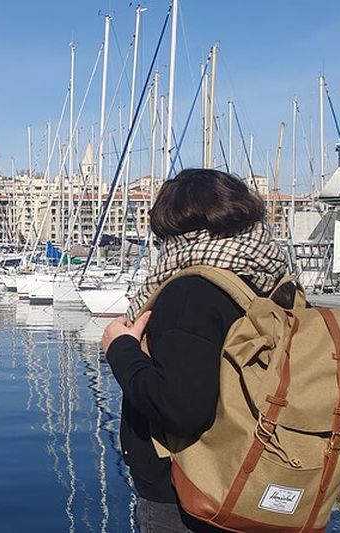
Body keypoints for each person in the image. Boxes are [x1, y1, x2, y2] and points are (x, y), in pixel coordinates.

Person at [101, 169, 288, 532]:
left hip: (193, 494)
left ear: (173, 230)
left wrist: (120, 348)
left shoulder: (190, 292)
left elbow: (182, 409)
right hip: (259, 478)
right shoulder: (267, 282)